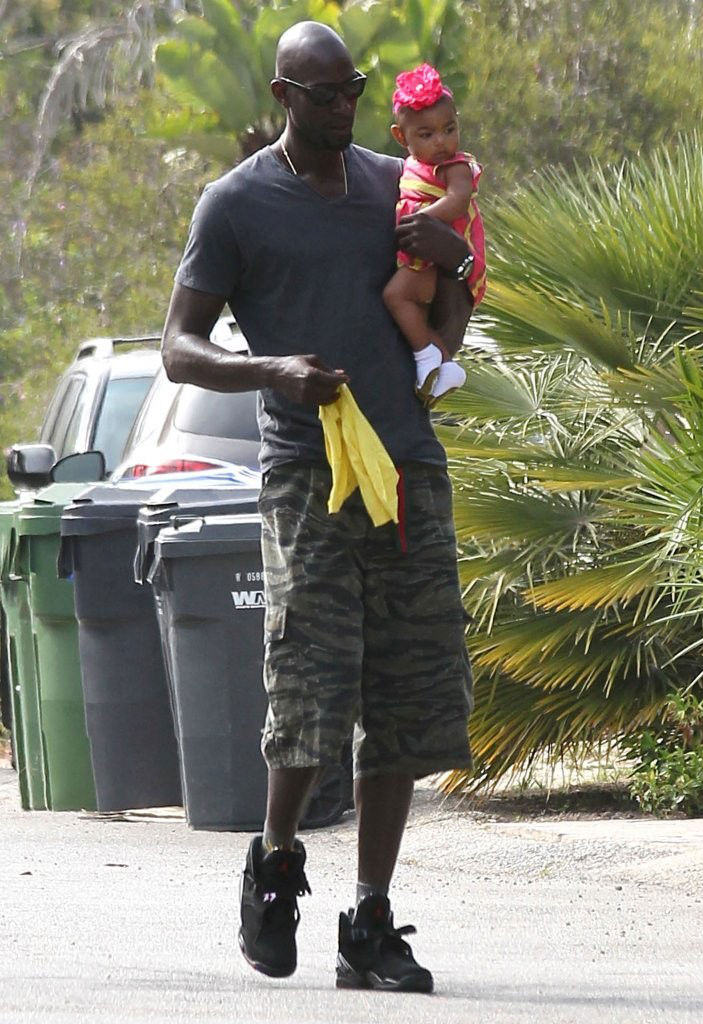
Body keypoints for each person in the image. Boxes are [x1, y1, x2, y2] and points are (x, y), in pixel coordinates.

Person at [161, 21, 474, 994]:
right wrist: (269, 370)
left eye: (354, 91)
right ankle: (274, 863)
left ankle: (370, 921)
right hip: (307, 471)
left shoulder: (396, 184)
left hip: (406, 468)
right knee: (309, 690)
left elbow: (451, 307)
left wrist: (451, 259)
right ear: (285, 96)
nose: (346, 109)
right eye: (327, 94)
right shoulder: (236, 205)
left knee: (407, 699)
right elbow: (178, 344)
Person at [383, 63, 487, 405]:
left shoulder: (454, 165)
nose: (441, 141)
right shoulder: (408, 168)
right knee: (402, 299)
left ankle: (428, 354)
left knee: (396, 296)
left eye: (449, 129)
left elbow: (457, 202)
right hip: (419, 254)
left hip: (434, 256)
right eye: (426, 135)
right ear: (401, 137)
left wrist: (419, 222)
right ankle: (438, 361)